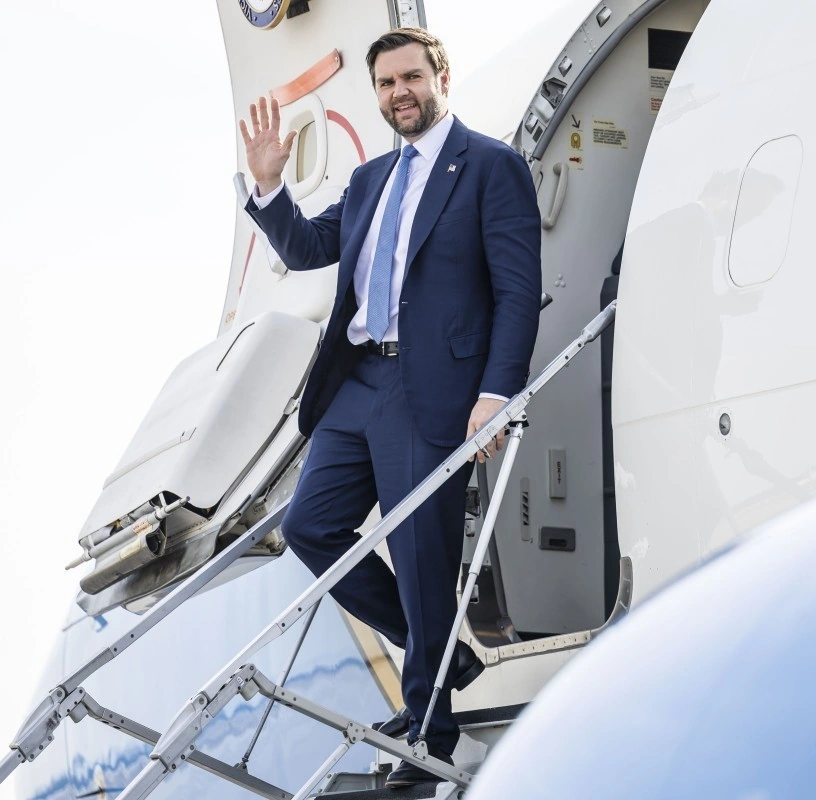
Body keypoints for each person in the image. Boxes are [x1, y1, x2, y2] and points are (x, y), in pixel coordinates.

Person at [238, 27, 541, 787]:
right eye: (384, 84)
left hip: (431, 390)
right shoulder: (372, 178)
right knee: (311, 528)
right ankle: (443, 655)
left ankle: (428, 734)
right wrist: (269, 188)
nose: (398, 93)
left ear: (441, 77)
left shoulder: (490, 167)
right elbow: (308, 249)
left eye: (410, 78)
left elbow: (516, 291)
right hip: (358, 383)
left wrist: (496, 393)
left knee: (419, 555)